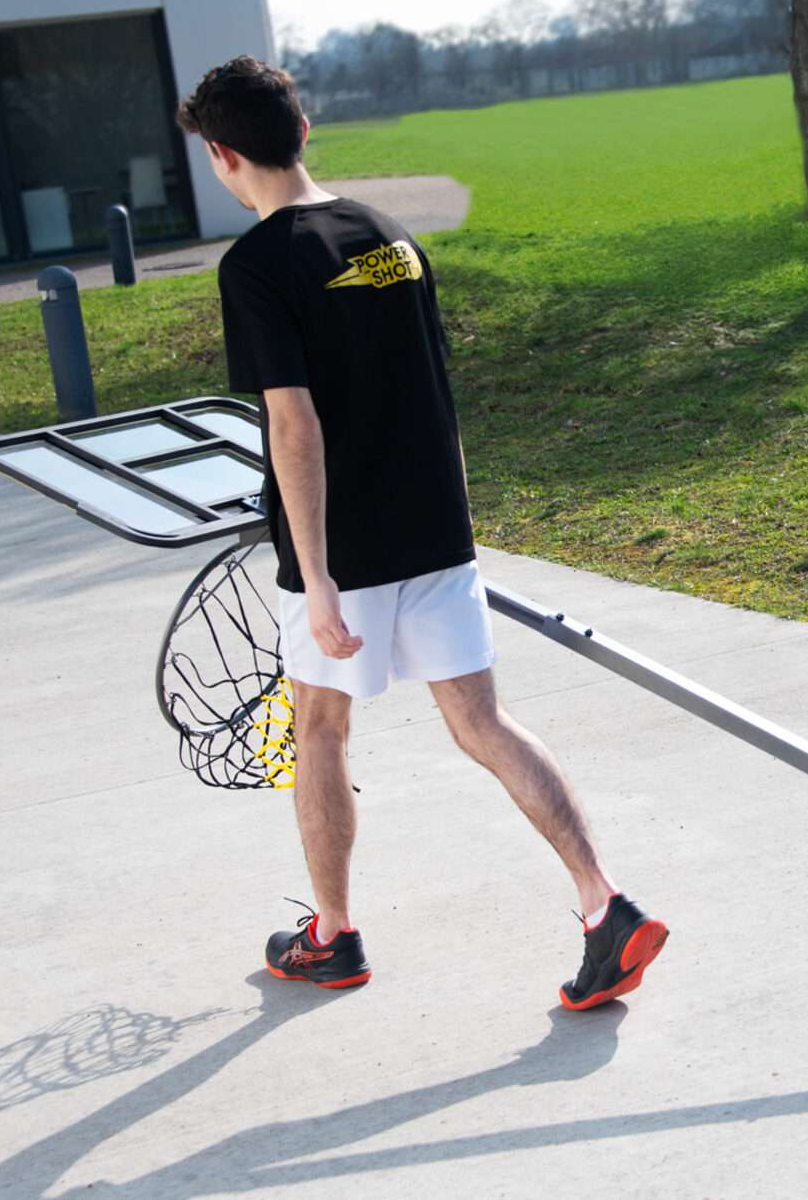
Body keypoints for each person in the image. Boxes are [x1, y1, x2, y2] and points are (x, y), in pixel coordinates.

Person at [174, 56, 665, 1010]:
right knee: (482, 722)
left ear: (223, 156)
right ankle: (605, 906)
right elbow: (436, 392)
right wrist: (456, 525)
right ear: (304, 130)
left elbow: (294, 424)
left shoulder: (258, 264)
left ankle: (334, 936)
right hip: (436, 527)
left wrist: (313, 575)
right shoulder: (389, 235)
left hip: (347, 549)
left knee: (319, 725)